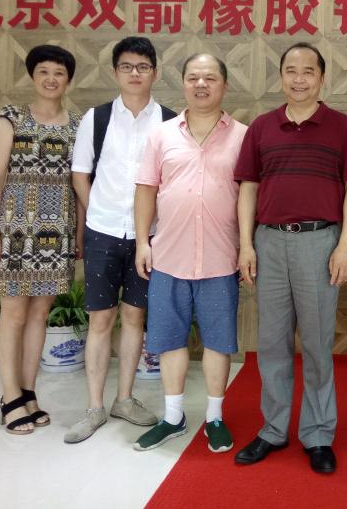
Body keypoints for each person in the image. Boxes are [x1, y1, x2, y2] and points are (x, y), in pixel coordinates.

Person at [233, 42, 347, 474]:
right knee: (271, 343)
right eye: (291, 70)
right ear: (281, 76)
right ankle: (273, 429)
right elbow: (248, 188)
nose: (299, 78)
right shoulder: (262, 127)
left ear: (322, 77)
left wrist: (345, 246)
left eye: (308, 71)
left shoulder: (341, 127)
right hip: (269, 243)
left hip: (319, 243)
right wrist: (246, 244)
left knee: (317, 343)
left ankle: (319, 433)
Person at [131, 53, 247, 452]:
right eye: (194, 77)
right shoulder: (161, 135)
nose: (201, 84)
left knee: (219, 342)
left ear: (224, 85)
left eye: (210, 78)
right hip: (169, 256)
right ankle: (173, 417)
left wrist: (247, 247)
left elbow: (250, 196)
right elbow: (146, 189)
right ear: (182, 83)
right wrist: (142, 242)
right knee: (169, 340)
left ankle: (215, 417)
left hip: (220, 258)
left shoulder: (243, 136)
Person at [64, 37, 171, 444]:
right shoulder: (97, 118)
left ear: (155, 72)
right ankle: (94, 406)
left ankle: (124, 399)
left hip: (150, 236)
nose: (135, 73)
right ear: (115, 72)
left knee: (134, 318)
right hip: (103, 232)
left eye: (143, 66)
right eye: (127, 66)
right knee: (100, 319)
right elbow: (80, 172)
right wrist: (98, 210)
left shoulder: (170, 122)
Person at [0, 44, 81, 435]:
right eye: (43, 72)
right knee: (14, 314)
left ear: (68, 79)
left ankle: (28, 392)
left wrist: (79, 232)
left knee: (40, 314)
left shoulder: (77, 125)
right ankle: (9, 397)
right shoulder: (11, 119)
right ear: (33, 76)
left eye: (59, 73)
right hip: (15, 231)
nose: (51, 79)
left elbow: (80, 182)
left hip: (57, 234)